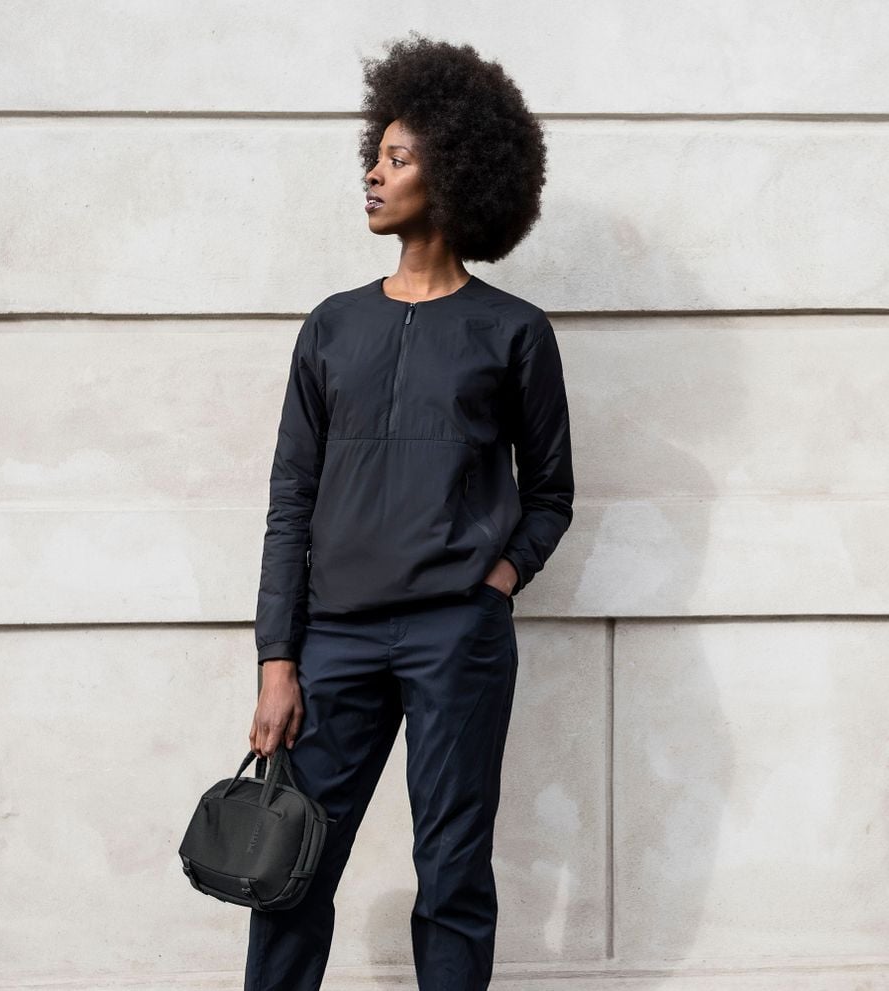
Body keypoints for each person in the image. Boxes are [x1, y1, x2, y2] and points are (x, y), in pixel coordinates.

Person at [245, 33, 574, 991]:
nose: (374, 175)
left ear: (457, 170)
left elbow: (550, 493)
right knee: (289, 866)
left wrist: (496, 579)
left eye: (398, 157)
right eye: (374, 156)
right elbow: (289, 501)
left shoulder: (512, 332)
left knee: (453, 874)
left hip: (455, 640)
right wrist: (278, 658)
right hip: (334, 638)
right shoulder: (332, 325)